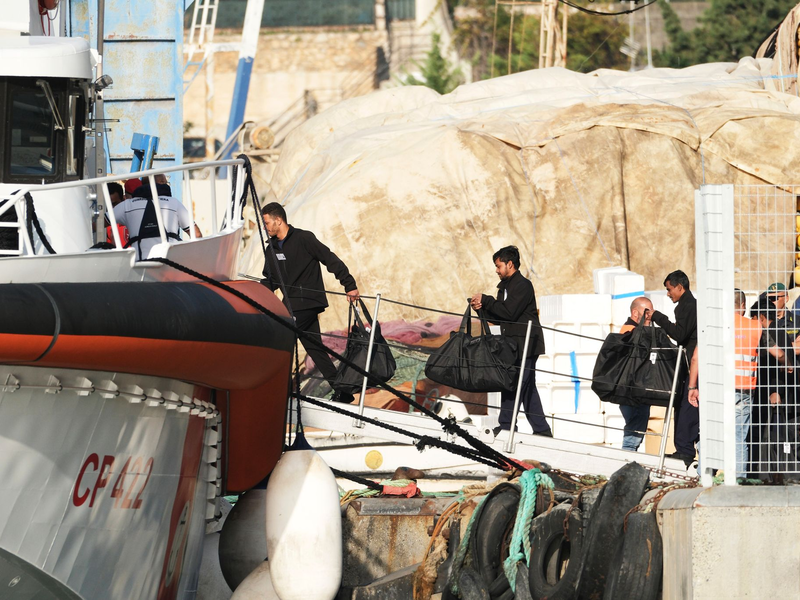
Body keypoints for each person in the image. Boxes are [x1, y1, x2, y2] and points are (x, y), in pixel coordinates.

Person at [260, 202, 360, 403]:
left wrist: (349, 285)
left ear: (278, 220)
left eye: (267, 223)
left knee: (281, 337)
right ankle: (342, 391)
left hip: (308, 301)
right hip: (291, 305)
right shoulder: (271, 249)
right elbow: (271, 281)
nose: (265, 228)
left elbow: (329, 259)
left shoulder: (304, 238)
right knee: (315, 349)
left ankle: (278, 391)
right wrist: (251, 291)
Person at [470, 245, 551, 437]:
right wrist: (480, 309)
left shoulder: (523, 285)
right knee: (527, 387)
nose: (496, 270)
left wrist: (487, 300)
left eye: (498, 266)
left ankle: (506, 426)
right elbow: (500, 317)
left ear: (510, 264)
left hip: (526, 344)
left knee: (514, 383)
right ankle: (542, 430)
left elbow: (509, 312)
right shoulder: (504, 288)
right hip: (512, 345)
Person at [690, 290, 764, 479]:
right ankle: (739, 480)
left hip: (715, 390)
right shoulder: (755, 326)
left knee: (710, 434)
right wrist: (788, 363)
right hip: (743, 390)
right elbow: (775, 352)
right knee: (738, 438)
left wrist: (692, 387)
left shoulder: (713, 326)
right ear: (743, 305)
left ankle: (704, 477)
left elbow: (696, 358)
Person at [650, 270, 697, 466]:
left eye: (669, 289)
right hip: (688, 367)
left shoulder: (689, 306)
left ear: (680, 287)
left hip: (694, 368)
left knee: (687, 409)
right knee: (681, 407)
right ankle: (683, 449)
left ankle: (685, 452)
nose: (668, 294)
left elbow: (679, 334)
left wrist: (658, 317)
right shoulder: (686, 305)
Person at [113, 181, 201, 260]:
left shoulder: (127, 205)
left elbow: (104, 221)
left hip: (140, 265)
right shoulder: (173, 202)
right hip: (172, 262)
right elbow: (196, 235)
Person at [617, 296, 654, 451]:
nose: (650, 316)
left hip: (634, 387)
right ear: (634, 312)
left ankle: (629, 454)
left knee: (636, 425)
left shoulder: (633, 329)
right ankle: (627, 456)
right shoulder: (630, 331)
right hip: (633, 389)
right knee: (634, 428)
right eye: (647, 312)